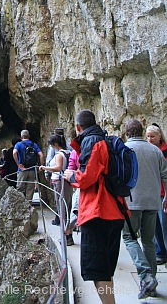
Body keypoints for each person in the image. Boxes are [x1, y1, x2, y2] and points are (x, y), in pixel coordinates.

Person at [63, 109, 127, 304]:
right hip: (115, 210)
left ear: (78, 127)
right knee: (105, 269)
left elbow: (87, 177)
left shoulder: (92, 142)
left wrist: (71, 176)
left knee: (98, 271)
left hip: (98, 213)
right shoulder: (106, 139)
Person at [123, 119, 167, 299]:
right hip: (153, 200)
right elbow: (165, 175)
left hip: (131, 202)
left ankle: (145, 275)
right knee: (149, 241)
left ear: (127, 133)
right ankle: (151, 284)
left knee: (129, 237)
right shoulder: (155, 150)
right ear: (141, 132)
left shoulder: (124, 149)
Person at [39, 133, 74, 245]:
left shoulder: (60, 154)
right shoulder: (69, 152)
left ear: (55, 144)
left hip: (60, 182)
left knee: (62, 209)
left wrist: (45, 168)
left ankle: (66, 237)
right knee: (66, 207)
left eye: (51, 145)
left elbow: (58, 168)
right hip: (66, 182)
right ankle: (68, 235)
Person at [146, 123, 167, 265]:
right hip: (152, 192)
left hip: (163, 193)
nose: (150, 139)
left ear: (159, 137)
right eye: (147, 137)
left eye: (152, 136)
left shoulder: (164, 152)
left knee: (164, 225)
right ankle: (160, 252)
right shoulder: (149, 151)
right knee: (155, 226)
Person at [13, 129, 44, 201]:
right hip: (32, 169)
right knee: (30, 189)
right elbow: (41, 155)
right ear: (29, 136)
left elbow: (14, 153)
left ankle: (21, 206)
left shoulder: (19, 144)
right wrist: (40, 166)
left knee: (20, 188)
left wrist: (18, 164)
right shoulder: (34, 144)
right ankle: (29, 206)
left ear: (21, 137)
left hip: (22, 170)